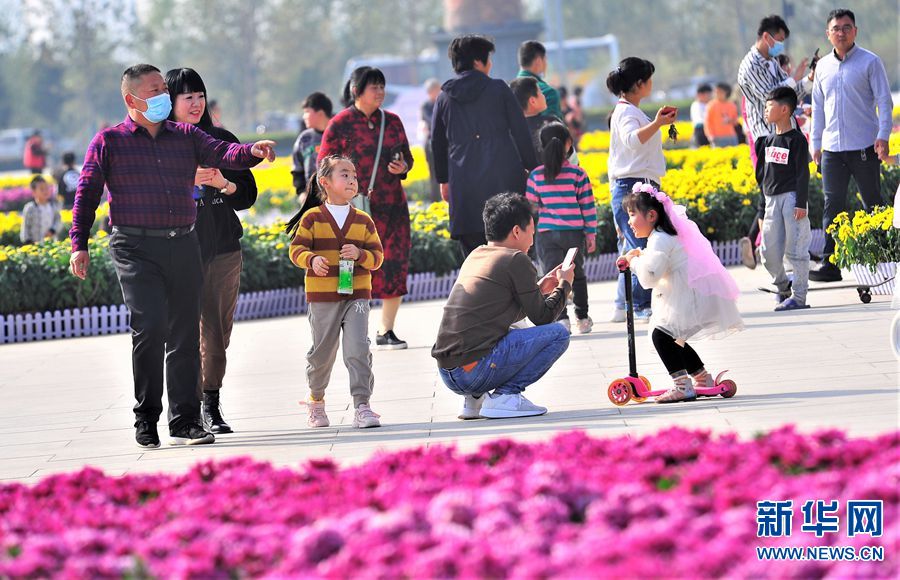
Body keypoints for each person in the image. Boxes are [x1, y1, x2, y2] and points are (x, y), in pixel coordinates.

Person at [69, 64, 276, 449]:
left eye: (164, 88)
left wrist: (252, 151)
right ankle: (145, 416)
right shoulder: (108, 142)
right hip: (134, 247)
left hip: (183, 241)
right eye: (155, 90)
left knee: (184, 333)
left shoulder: (185, 135)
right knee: (150, 328)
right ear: (132, 100)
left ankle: (185, 420)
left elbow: (222, 150)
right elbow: (86, 193)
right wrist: (78, 242)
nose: (165, 95)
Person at [165, 67, 259, 435]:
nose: (195, 102)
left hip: (223, 250)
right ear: (170, 102)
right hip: (181, 252)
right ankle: (197, 407)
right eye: (186, 96)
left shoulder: (220, 139)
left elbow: (248, 195)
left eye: (199, 95)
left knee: (218, 332)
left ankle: (209, 401)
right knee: (195, 334)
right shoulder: (161, 145)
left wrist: (222, 182)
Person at [432, 192, 574, 420]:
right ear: (517, 231)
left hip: (450, 372)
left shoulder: (477, 254)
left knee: (511, 329)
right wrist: (565, 284)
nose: (532, 241)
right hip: (472, 371)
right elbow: (544, 318)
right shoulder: (515, 259)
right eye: (531, 233)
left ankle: (474, 401)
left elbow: (494, 310)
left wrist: (538, 289)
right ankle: (506, 397)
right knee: (559, 334)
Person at [621, 183, 744, 403]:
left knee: (662, 336)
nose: (629, 222)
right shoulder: (663, 234)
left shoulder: (660, 237)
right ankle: (702, 378)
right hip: (695, 293)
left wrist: (633, 261)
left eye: (632, 215)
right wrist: (641, 254)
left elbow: (650, 275)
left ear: (651, 215)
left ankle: (682, 385)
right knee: (675, 339)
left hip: (689, 296)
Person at [318, 66, 412, 350]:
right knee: (351, 267)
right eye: (374, 87)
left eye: (382, 87)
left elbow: (407, 156)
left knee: (394, 263)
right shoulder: (340, 124)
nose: (380, 92)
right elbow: (324, 165)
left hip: (392, 206)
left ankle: (387, 329)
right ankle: (353, 329)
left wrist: (403, 166)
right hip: (353, 210)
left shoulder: (393, 122)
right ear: (357, 91)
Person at [288, 155, 384, 429]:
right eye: (344, 174)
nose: (352, 179)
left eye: (354, 175)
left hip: (357, 297)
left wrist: (360, 254)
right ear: (324, 182)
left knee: (358, 348)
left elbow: (377, 257)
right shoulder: (313, 218)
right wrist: (311, 259)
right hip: (322, 298)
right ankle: (316, 401)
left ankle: (362, 406)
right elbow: (295, 250)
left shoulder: (364, 221)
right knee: (322, 353)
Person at [432, 34, 538, 257]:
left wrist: (443, 179)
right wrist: (531, 166)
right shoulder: (499, 89)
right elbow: (520, 130)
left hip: (463, 186)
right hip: (504, 179)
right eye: (488, 59)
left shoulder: (444, 98)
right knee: (512, 250)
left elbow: (437, 143)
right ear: (478, 62)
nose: (490, 64)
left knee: (474, 261)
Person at [810, 8, 893, 283]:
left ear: (855, 31)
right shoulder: (822, 67)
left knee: (873, 203)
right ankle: (830, 264)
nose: (841, 32)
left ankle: (885, 259)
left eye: (847, 27)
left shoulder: (870, 62)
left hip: (864, 148)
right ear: (828, 33)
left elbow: (884, 101)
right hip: (832, 151)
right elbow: (818, 108)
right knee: (832, 206)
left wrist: (882, 136)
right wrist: (816, 143)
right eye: (836, 28)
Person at [606, 57, 676, 324]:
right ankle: (640, 306)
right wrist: (657, 123)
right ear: (639, 83)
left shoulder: (630, 110)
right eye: (649, 79)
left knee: (632, 246)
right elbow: (633, 141)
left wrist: (657, 122)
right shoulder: (625, 112)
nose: (651, 83)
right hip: (631, 186)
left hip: (636, 184)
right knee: (641, 249)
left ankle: (622, 304)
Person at [737, 14, 810, 269]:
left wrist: (807, 81)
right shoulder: (750, 66)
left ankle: (770, 248)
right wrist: (794, 79)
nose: (780, 46)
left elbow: (788, 97)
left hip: (783, 136)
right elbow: (774, 96)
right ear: (766, 37)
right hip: (766, 140)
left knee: (779, 193)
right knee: (771, 195)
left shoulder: (770, 63)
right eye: (778, 40)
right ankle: (769, 252)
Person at [526, 122, 597, 334]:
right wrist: (591, 233)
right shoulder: (578, 174)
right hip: (573, 234)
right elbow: (588, 205)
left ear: (542, 145)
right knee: (578, 274)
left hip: (547, 234)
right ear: (568, 144)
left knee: (552, 276)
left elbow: (532, 207)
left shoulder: (536, 176)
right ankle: (582, 318)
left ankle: (561, 319)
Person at [755, 87, 812, 311]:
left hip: (791, 199)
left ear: (785, 109)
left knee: (796, 250)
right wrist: (762, 210)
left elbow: (802, 174)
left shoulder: (797, 140)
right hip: (770, 202)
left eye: (770, 106)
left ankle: (799, 296)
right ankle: (782, 286)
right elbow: (762, 178)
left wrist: (801, 203)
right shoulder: (765, 142)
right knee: (768, 253)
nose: (765, 110)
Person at [291, 92, 333, 199]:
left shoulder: (340, 135)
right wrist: (301, 192)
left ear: (320, 113)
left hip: (339, 198)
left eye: (307, 112)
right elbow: (297, 168)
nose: (304, 116)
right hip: (311, 198)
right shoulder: (304, 139)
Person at [515, 40, 563, 120]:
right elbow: (553, 130)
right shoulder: (548, 93)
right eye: (545, 59)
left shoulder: (507, 90)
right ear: (539, 61)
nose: (546, 64)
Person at [509, 76, 551, 157]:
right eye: (541, 92)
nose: (543, 96)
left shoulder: (511, 132)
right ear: (532, 101)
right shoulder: (550, 123)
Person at [20, 175, 61, 243]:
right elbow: (25, 227)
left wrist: (52, 230)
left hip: (52, 243)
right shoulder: (30, 208)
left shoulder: (53, 206)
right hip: (35, 244)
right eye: (42, 189)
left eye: (47, 188)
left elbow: (58, 220)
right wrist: (27, 241)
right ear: (34, 192)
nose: (45, 191)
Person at [419, 79, 442, 202]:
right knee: (434, 174)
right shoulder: (426, 106)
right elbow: (430, 121)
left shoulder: (443, 102)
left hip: (444, 143)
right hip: (431, 143)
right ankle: (436, 200)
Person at [704, 83, 739, 148]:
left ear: (727, 92)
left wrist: (730, 120)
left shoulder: (732, 105)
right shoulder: (711, 105)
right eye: (716, 92)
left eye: (720, 92)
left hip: (731, 136)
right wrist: (710, 135)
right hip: (717, 137)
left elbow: (735, 122)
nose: (717, 94)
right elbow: (707, 122)